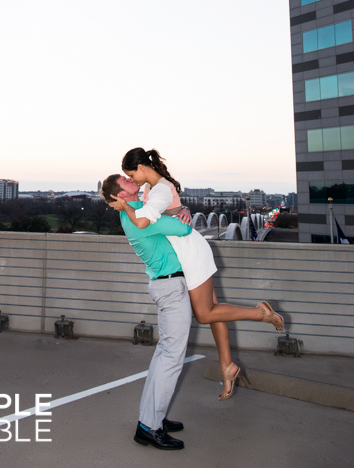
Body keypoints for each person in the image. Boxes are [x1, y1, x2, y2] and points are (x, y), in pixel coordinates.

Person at [112, 147, 285, 400]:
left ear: (140, 168)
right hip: (189, 250)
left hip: (190, 254)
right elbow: (171, 211)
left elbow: (142, 221)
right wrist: (184, 211)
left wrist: (124, 207)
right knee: (214, 310)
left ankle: (261, 313)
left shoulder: (158, 189)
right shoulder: (152, 188)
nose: (133, 181)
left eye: (131, 175)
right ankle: (228, 367)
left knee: (205, 314)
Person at [100, 173, 193, 450]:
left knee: (164, 355)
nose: (133, 180)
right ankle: (149, 428)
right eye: (126, 181)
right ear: (120, 195)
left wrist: (180, 210)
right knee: (172, 358)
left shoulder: (135, 212)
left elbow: (169, 217)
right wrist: (183, 213)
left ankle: (153, 418)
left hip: (165, 285)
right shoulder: (138, 214)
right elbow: (183, 230)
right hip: (171, 288)